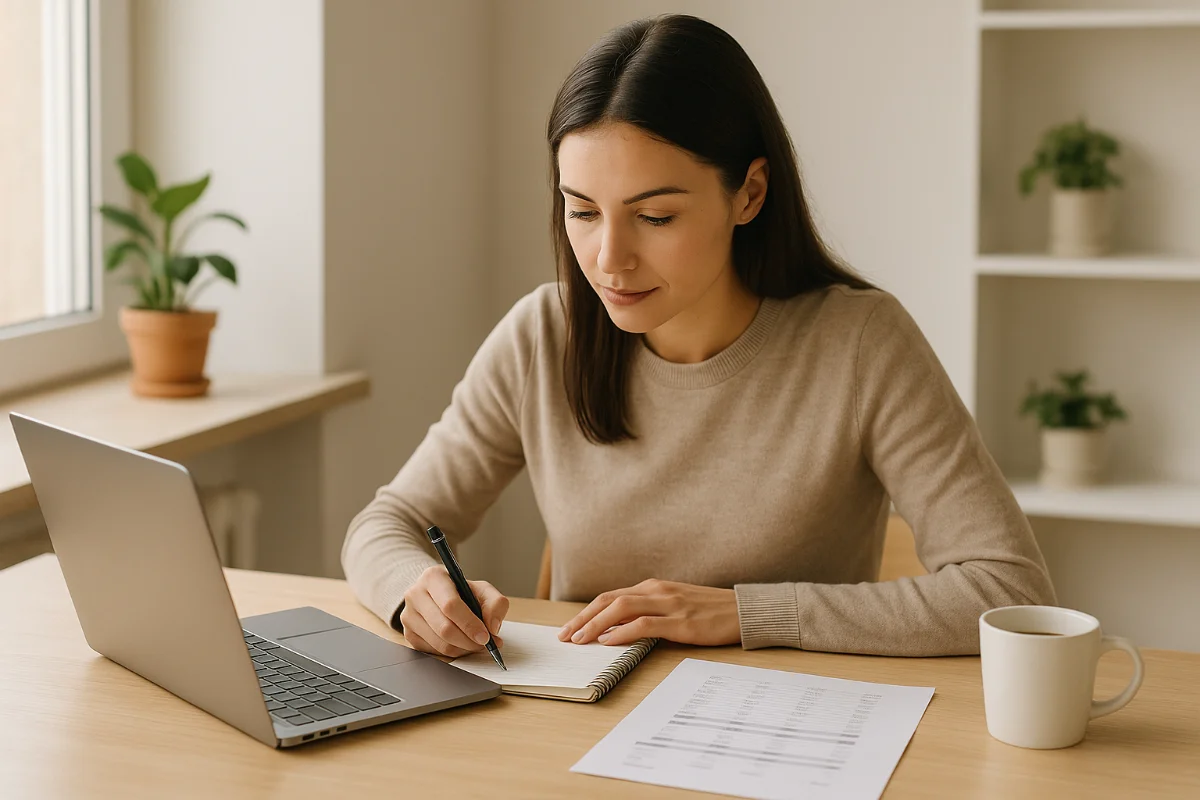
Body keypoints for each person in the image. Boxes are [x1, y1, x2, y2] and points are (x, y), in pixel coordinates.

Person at [341, 13, 1056, 660]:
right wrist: (417, 594)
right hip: (579, 728)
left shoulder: (859, 343)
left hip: (792, 734)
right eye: (582, 211)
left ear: (749, 193)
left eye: (654, 218)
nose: (608, 258)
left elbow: (1009, 591)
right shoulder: (542, 335)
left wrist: (748, 614)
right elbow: (389, 522)